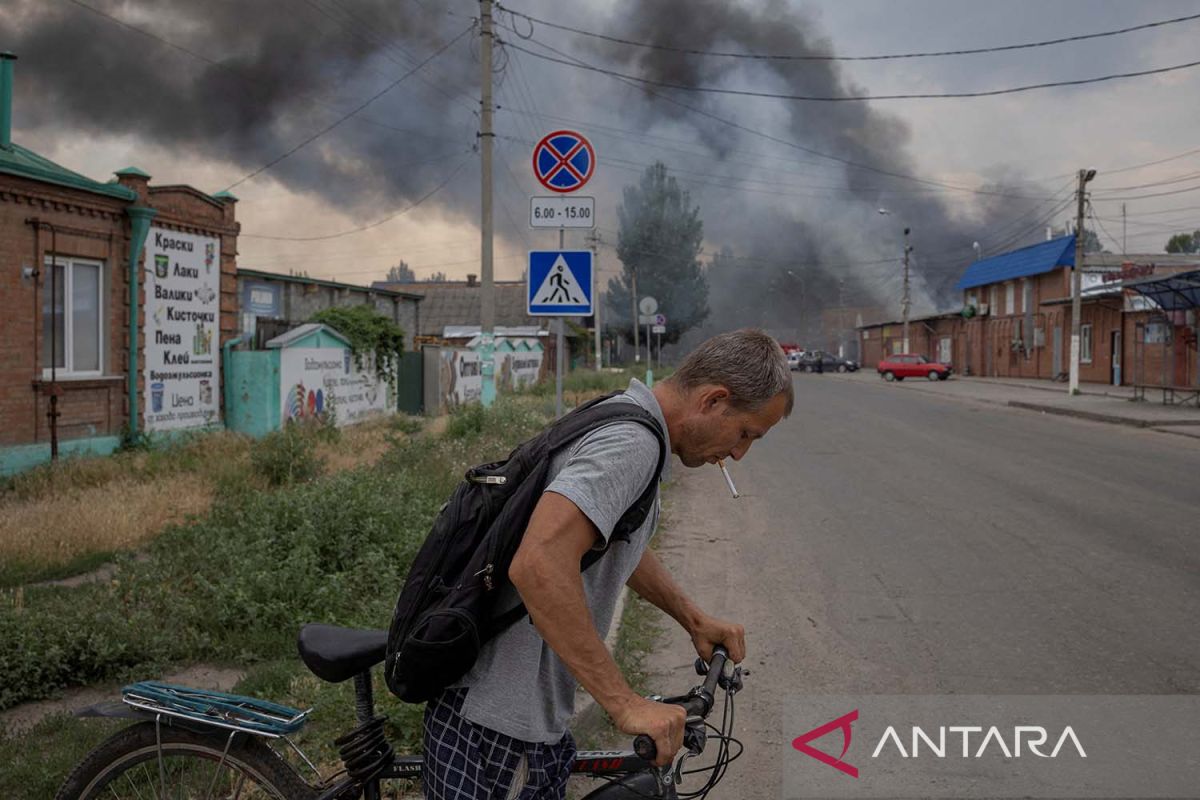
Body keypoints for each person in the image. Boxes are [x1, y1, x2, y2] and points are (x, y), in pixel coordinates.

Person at [423, 329, 794, 799]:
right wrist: (623, 704)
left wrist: (692, 618)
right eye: (745, 433)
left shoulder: (624, 416)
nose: (739, 453)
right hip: (499, 721)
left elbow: (610, 537)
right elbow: (539, 562)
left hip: (519, 714)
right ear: (714, 400)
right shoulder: (631, 444)